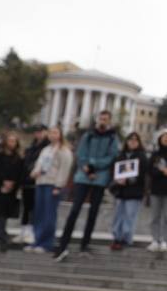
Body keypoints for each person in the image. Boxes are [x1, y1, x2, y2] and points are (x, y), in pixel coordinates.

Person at [53, 110, 120, 261]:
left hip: (100, 177)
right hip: (83, 177)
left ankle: (85, 244)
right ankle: (63, 243)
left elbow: (112, 155)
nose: (103, 121)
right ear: (97, 119)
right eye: (101, 118)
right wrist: (86, 167)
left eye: (105, 119)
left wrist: (94, 166)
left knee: (93, 212)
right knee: (75, 209)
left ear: (109, 121)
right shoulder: (88, 135)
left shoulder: (112, 137)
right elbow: (80, 153)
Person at [30, 126, 73, 253]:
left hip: (52, 184)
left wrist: (58, 186)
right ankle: (37, 240)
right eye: (50, 133)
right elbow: (39, 164)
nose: (52, 135)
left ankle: (46, 242)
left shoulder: (64, 150)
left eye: (55, 132)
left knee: (49, 214)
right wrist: (35, 172)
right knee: (39, 213)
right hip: (41, 182)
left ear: (60, 135)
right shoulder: (46, 149)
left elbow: (64, 170)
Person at [0, 132, 25, 253]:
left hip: (11, 191)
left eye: (14, 141)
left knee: (2, 216)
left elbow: (21, 174)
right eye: (9, 140)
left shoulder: (19, 158)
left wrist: (12, 184)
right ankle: (3, 238)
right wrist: (3, 182)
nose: (11, 143)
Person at [109, 132, 147, 250]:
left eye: (135, 140)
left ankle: (126, 238)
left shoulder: (142, 156)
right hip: (120, 191)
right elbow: (113, 171)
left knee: (130, 216)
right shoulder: (120, 155)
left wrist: (129, 180)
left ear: (139, 142)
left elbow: (143, 175)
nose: (133, 141)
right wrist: (117, 180)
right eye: (130, 139)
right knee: (118, 215)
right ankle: (117, 237)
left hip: (134, 192)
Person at [19, 124, 49, 245]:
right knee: (26, 207)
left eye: (41, 131)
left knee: (34, 207)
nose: (38, 134)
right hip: (27, 180)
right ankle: (23, 231)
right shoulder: (31, 147)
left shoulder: (47, 148)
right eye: (36, 132)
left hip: (37, 180)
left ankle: (32, 231)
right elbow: (25, 162)